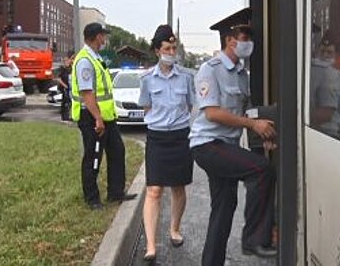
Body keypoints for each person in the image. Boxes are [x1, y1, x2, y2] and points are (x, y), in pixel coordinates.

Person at [189, 24, 277, 266]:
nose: (248, 43)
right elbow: (213, 114)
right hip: (208, 145)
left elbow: (246, 111)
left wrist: (264, 134)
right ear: (229, 40)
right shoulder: (210, 69)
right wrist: (253, 125)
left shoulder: (241, 74)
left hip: (225, 145)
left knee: (224, 207)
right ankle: (253, 240)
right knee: (261, 170)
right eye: (244, 38)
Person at [138, 25, 196, 264]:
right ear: (156, 51)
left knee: (179, 187)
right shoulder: (146, 79)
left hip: (180, 137)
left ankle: (174, 229)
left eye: (174, 48)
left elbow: (190, 105)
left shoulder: (186, 77)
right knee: (154, 190)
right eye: (167, 48)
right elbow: (146, 106)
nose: (171, 52)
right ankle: (151, 245)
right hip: (157, 138)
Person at [70, 22, 137, 210]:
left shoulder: (96, 57)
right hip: (91, 117)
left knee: (117, 151)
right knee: (93, 157)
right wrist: (98, 118)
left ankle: (116, 193)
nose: (105, 39)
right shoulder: (84, 60)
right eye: (103, 35)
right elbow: (87, 93)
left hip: (106, 117)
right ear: (96, 36)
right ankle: (92, 199)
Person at [57, 51, 75, 121]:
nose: (66, 62)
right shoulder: (62, 69)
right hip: (65, 88)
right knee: (65, 102)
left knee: (71, 102)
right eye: (65, 60)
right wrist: (65, 86)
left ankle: (70, 115)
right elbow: (58, 79)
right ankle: (64, 116)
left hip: (71, 88)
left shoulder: (71, 68)